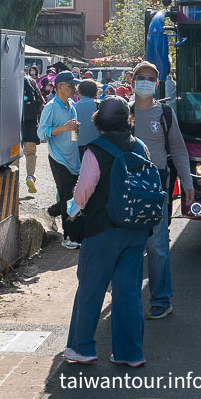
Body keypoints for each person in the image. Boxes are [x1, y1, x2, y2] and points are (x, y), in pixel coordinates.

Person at [62, 97, 154, 366]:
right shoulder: (141, 146)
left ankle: (82, 348)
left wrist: (72, 211)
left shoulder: (96, 149)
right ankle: (130, 353)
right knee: (128, 292)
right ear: (128, 119)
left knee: (91, 288)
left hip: (103, 229)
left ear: (98, 120)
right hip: (137, 229)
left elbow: (84, 191)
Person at [129, 60, 194, 320]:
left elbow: (178, 148)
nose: (145, 82)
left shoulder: (165, 113)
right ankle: (129, 299)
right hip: (127, 189)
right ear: (132, 81)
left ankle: (161, 299)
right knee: (130, 247)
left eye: (150, 79)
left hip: (156, 190)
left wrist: (187, 183)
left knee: (157, 246)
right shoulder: (124, 112)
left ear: (156, 84)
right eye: (140, 77)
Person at [38, 71, 83, 248]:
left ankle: (50, 213)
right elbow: (41, 133)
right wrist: (63, 128)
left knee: (73, 197)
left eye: (75, 85)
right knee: (67, 197)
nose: (74, 88)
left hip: (73, 158)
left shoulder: (72, 105)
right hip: (58, 158)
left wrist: (74, 130)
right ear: (59, 87)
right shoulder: (50, 107)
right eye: (71, 85)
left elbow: (73, 136)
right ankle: (68, 237)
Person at [22, 64, 46, 193]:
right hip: (30, 124)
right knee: (30, 153)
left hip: (13, 124)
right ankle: (30, 176)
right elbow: (40, 101)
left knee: (13, 156)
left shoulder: (11, 80)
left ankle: (13, 181)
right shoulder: (31, 82)